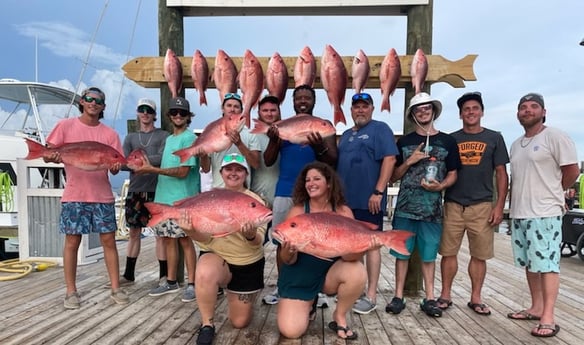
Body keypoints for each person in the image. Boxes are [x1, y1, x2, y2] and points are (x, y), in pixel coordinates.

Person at [43, 87, 129, 309]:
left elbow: (115, 168)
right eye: (89, 99)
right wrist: (51, 157)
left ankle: (115, 288)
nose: (93, 103)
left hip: (102, 196)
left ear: (103, 107)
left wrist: (117, 166)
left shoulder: (110, 135)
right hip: (74, 194)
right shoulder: (65, 126)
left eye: (98, 100)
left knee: (109, 241)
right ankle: (71, 291)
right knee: (72, 241)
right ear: (82, 101)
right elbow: (48, 153)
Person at [507, 93, 578, 338]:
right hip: (520, 212)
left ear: (544, 112)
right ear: (518, 114)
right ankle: (536, 307)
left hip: (545, 212)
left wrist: (555, 192)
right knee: (530, 263)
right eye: (523, 107)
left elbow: (572, 170)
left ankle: (548, 315)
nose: (528, 111)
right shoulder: (516, 144)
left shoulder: (555, 136)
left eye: (533, 107)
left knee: (547, 264)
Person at [177, 153, 267, 345]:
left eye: (239, 169)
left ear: (246, 174)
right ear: (222, 172)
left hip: (247, 264)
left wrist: (250, 234)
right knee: (205, 270)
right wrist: (190, 231)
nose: (233, 173)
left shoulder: (255, 201)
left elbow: (258, 241)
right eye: (229, 169)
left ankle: (236, 293)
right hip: (218, 258)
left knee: (240, 322)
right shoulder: (210, 197)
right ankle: (207, 324)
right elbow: (206, 239)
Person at [386, 92, 460, 318]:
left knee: (429, 256)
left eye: (427, 107)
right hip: (405, 208)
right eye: (418, 109)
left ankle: (429, 298)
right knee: (402, 254)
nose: (423, 111)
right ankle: (398, 296)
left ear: (433, 110)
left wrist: (441, 187)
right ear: (413, 114)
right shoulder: (405, 142)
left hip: (432, 210)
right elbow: (393, 176)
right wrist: (409, 161)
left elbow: (454, 173)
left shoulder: (447, 141)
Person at [262, 84, 337, 306]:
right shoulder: (283, 125)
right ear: (292, 103)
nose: (303, 101)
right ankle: (282, 284)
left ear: (314, 102)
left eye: (307, 98)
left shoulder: (323, 126)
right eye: (298, 98)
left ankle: (318, 287)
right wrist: (275, 139)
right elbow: (267, 160)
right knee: (281, 242)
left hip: (315, 194)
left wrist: (319, 146)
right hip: (285, 191)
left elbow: (333, 160)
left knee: (318, 242)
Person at [436, 92, 509, 316]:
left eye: (475, 108)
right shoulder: (451, 139)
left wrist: (499, 206)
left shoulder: (494, 138)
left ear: (482, 112)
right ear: (460, 114)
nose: (470, 112)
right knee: (448, 253)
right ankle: (445, 294)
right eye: (466, 109)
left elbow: (501, 173)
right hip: (453, 203)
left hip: (482, 204)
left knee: (480, 255)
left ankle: (476, 297)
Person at [277, 162, 366, 340]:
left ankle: (339, 316)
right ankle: (309, 304)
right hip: (299, 276)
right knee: (291, 331)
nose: (311, 183)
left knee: (356, 270)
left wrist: (364, 244)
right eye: (307, 180)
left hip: (328, 275)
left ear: (329, 183)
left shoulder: (343, 211)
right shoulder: (297, 211)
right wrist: (289, 250)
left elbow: (351, 257)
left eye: (317, 178)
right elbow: (286, 259)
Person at [337, 92, 398, 314]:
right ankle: (357, 290)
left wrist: (378, 192)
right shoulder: (344, 135)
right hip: (345, 203)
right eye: (356, 107)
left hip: (369, 200)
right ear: (351, 111)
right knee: (353, 248)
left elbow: (390, 159)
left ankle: (371, 295)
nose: (360, 110)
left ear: (372, 109)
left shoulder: (380, 129)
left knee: (372, 246)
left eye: (365, 106)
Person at [135, 97, 200, 303]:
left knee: (185, 241)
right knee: (169, 240)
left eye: (182, 113)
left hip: (183, 201)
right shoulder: (170, 139)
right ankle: (171, 281)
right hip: (164, 199)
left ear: (188, 117)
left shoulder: (189, 138)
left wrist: (151, 169)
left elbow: (182, 172)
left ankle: (193, 283)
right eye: (174, 112)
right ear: (169, 116)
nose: (178, 116)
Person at [119, 98, 168, 286]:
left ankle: (163, 276)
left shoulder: (163, 135)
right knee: (134, 233)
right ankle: (129, 274)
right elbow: (124, 162)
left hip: (158, 191)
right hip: (136, 190)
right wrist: (146, 162)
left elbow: (164, 158)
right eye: (142, 109)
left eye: (149, 110)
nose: (145, 113)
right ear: (138, 113)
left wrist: (139, 161)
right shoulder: (130, 138)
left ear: (155, 115)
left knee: (160, 235)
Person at [200, 93, 260, 188]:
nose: (232, 109)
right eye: (229, 106)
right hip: (218, 190)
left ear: (241, 111)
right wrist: (203, 156)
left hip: (242, 192)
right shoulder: (212, 132)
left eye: (236, 106)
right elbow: (206, 169)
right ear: (223, 109)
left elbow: (256, 164)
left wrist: (239, 144)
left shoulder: (250, 134)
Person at [250, 95, 281, 208]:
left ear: (279, 111)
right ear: (259, 113)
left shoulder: (287, 134)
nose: (269, 114)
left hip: (281, 197)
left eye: (273, 110)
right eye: (265, 110)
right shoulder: (252, 136)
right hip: (258, 196)